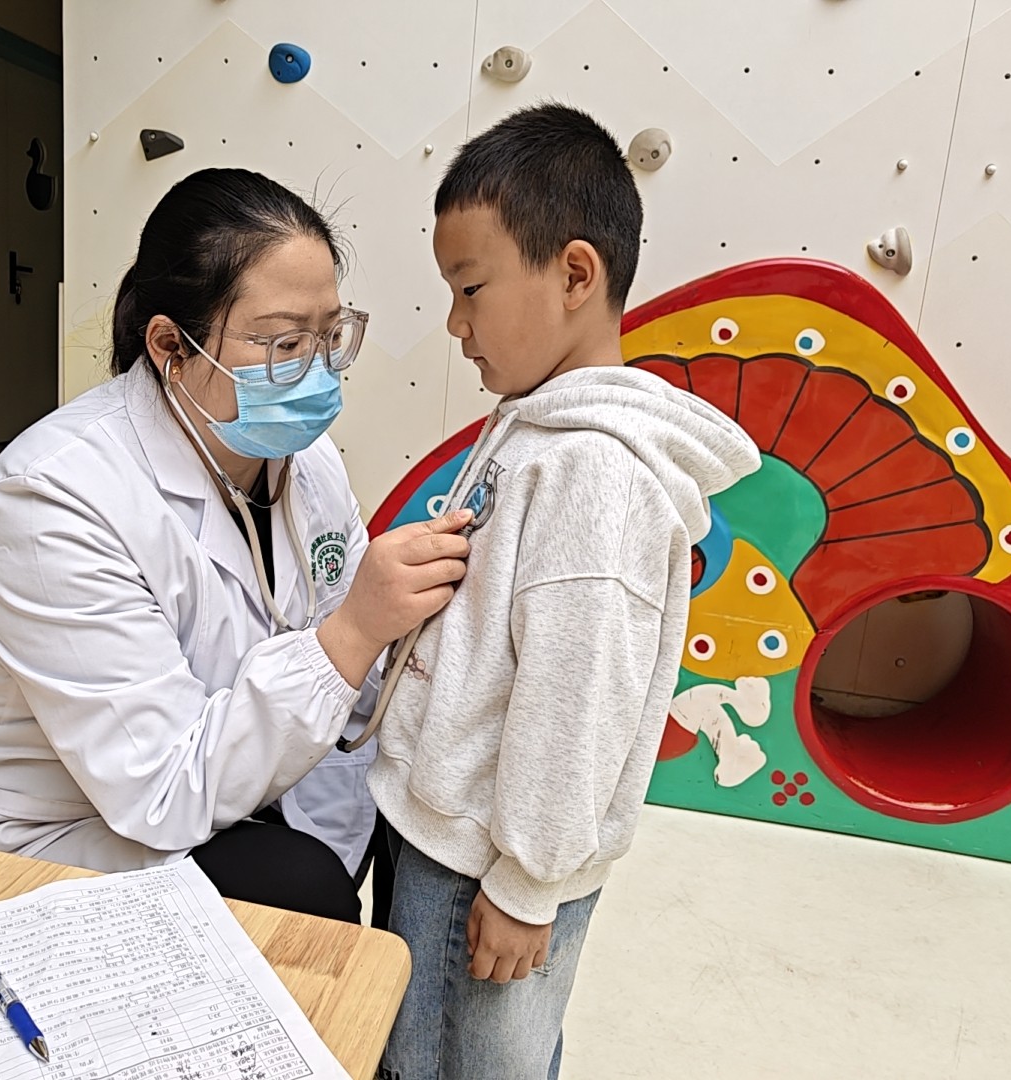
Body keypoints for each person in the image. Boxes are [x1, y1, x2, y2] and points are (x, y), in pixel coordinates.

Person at [0, 168, 473, 924]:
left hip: (227, 782)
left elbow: (354, 691)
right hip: (60, 834)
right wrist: (354, 632)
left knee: (410, 814)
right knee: (300, 886)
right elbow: (165, 788)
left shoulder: (306, 462)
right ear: (171, 346)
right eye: (283, 343)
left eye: (330, 336)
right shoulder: (54, 497)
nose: (316, 371)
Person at [366, 104, 761, 1076]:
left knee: (462, 1061)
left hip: (489, 865)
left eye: (470, 288)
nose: (455, 323)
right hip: (449, 827)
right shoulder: (536, 428)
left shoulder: (596, 473)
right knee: (418, 1047)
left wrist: (528, 885)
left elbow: (577, 699)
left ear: (576, 275)